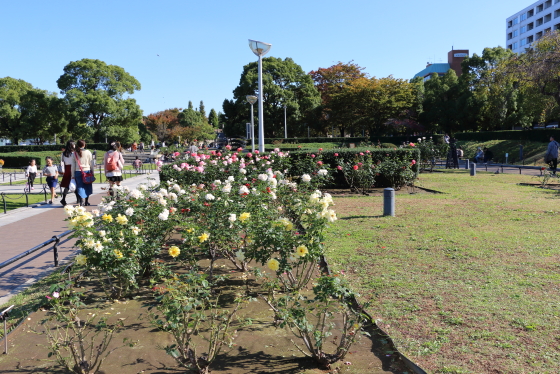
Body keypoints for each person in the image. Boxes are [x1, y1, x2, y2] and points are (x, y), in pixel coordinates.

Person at [71, 140, 94, 206]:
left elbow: (73, 165)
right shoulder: (88, 152)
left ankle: (81, 201)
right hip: (87, 171)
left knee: (80, 186)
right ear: (84, 145)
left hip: (78, 171)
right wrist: (92, 171)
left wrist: (72, 175)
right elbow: (91, 163)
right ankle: (86, 201)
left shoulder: (74, 153)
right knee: (87, 186)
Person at [60, 140, 76, 206]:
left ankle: (63, 199)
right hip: (73, 168)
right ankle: (79, 199)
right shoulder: (73, 153)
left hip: (66, 168)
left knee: (67, 184)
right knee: (75, 183)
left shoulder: (63, 153)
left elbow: (62, 162)